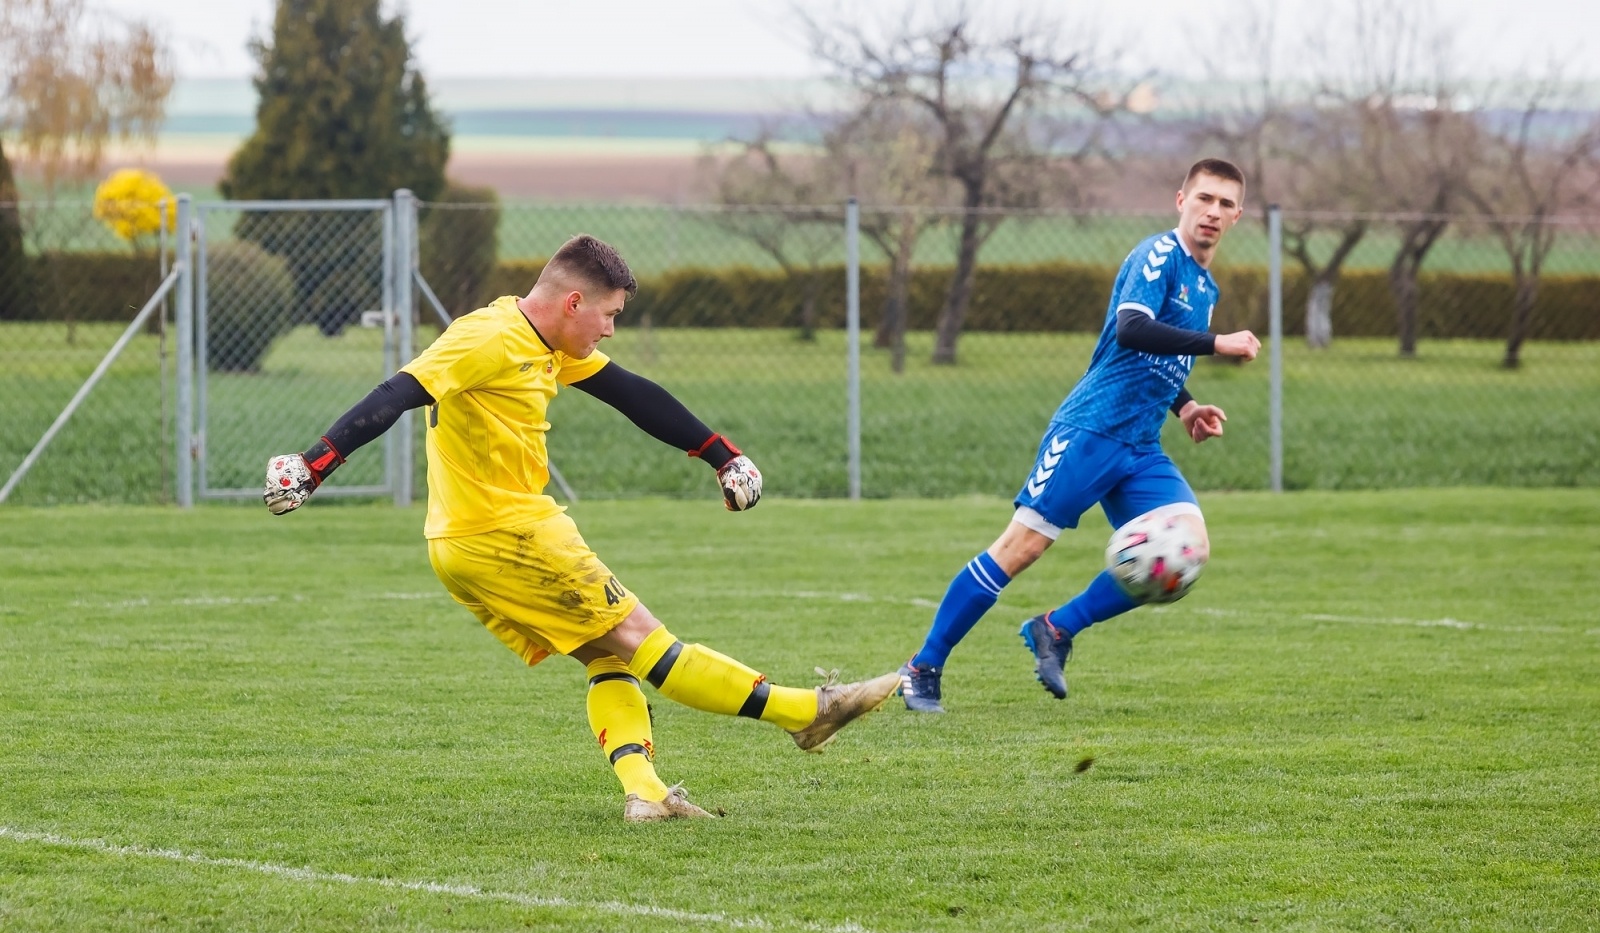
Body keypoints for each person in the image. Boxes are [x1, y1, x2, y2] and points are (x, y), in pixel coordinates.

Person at [264, 234, 902, 820]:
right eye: (611, 314)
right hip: (505, 534)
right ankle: (807, 712)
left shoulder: (547, 342)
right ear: (574, 302)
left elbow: (631, 394)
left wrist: (721, 453)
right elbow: (397, 392)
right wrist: (314, 464)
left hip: (470, 541)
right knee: (640, 635)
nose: (612, 330)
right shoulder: (486, 337)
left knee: (606, 654)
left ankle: (646, 794)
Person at [899, 159, 1261, 714]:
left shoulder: (1203, 283)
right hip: (1091, 430)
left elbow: (1153, 360)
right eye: (1204, 198)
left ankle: (1057, 628)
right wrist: (1217, 343)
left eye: (1225, 204)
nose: (1212, 212)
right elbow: (1132, 328)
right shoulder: (1159, 255)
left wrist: (1184, 405)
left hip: (1140, 447)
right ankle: (922, 667)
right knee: (1021, 548)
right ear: (1181, 199)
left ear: (1238, 215)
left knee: (1185, 549)